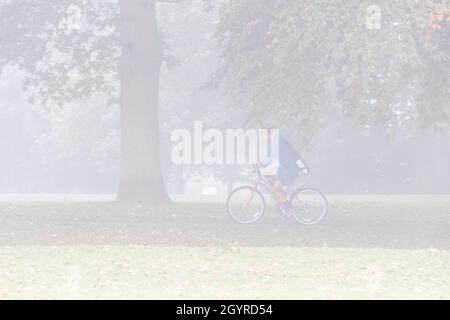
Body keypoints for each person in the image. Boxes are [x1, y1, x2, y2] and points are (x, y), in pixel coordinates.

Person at [260, 130, 306, 215]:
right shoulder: (278, 141)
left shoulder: (277, 143)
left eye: (266, 135)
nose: (264, 138)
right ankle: (282, 205)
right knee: (273, 182)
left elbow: (270, 156)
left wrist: (260, 165)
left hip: (288, 170)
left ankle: (288, 208)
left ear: (271, 134)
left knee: (275, 189)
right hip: (285, 169)